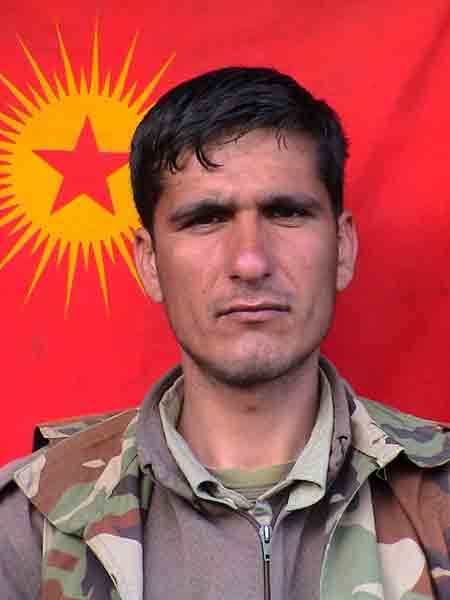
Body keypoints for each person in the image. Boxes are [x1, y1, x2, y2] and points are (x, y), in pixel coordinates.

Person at [1, 66, 449, 600]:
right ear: (149, 262)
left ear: (343, 248)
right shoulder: (32, 524)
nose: (250, 261)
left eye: (286, 212)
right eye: (206, 219)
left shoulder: (440, 499)